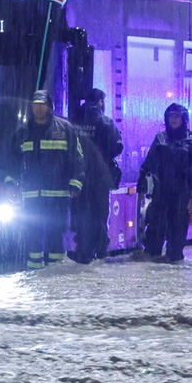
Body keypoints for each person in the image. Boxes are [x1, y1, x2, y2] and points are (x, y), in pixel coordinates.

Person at [5, 90, 85, 270]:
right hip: (31, 195)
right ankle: (34, 275)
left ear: (49, 107)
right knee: (32, 235)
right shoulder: (22, 132)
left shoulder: (65, 129)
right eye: (35, 105)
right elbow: (12, 161)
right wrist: (10, 184)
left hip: (58, 194)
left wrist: (75, 184)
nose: (38, 109)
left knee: (55, 234)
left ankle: (55, 277)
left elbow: (77, 158)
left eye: (42, 105)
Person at [138, 103, 192, 263]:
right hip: (161, 190)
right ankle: (152, 253)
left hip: (182, 192)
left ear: (183, 119)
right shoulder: (161, 138)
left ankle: (174, 256)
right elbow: (148, 164)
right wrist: (141, 189)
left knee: (178, 227)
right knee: (156, 224)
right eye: (171, 116)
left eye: (177, 116)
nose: (173, 120)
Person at [71, 88, 123, 263]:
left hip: (78, 176)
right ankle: (99, 252)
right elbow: (118, 147)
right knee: (99, 213)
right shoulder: (105, 122)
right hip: (100, 177)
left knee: (81, 213)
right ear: (100, 102)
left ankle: (82, 249)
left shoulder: (74, 119)